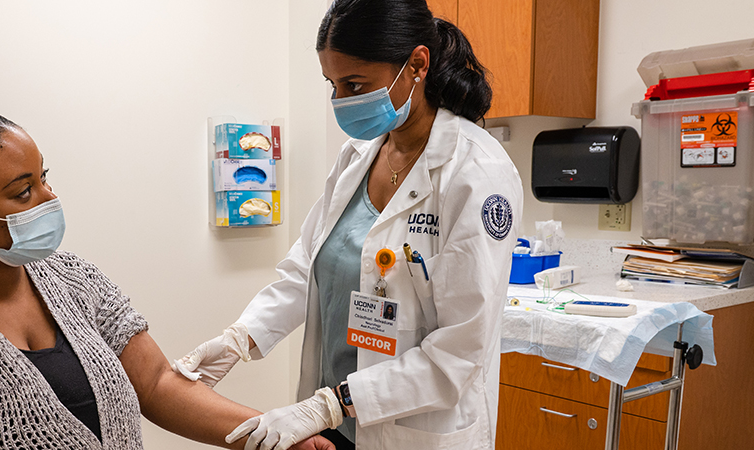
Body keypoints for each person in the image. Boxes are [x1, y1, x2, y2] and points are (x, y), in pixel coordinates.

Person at [0, 107, 334, 450]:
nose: (49, 198)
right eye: (22, 191)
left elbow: (158, 384)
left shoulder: (71, 278)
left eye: (43, 178)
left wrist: (271, 432)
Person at [174, 0, 523, 449]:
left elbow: (458, 353)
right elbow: (307, 269)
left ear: (417, 64)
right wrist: (239, 340)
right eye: (333, 85)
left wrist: (332, 402)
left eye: (355, 84)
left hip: (409, 431)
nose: (342, 101)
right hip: (331, 428)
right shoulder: (358, 156)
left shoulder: (476, 173)